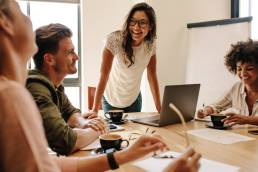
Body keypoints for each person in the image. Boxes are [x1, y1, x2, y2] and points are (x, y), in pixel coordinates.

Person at [0, 0, 201, 171]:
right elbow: (66, 142)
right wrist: (99, 126)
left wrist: (124, 155)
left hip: (131, 99)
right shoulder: (14, 95)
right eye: (18, 9)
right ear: (4, 23)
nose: (77, 57)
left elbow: (46, 164)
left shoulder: (43, 86)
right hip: (112, 100)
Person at [26, 23, 108, 155]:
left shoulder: (54, 85)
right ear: (49, 59)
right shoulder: (37, 88)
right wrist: (98, 130)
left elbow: (69, 112)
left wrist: (83, 123)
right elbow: (65, 142)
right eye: (70, 52)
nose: (77, 57)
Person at [89, 2, 162, 115]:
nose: (136, 27)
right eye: (133, 21)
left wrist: (160, 108)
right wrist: (94, 109)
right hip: (112, 100)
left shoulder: (150, 45)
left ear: (150, 26)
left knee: (134, 133)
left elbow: (152, 74)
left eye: (142, 23)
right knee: (115, 132)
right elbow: (104, 75)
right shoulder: (115, 40)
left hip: (134, 100)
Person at [197, 39, 258, 126]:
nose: (243, 73)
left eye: (249, 69)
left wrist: (247, 120)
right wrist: (205, 111)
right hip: (244, 137)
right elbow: (217, 106)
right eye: (239, 69)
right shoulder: (237, 87)